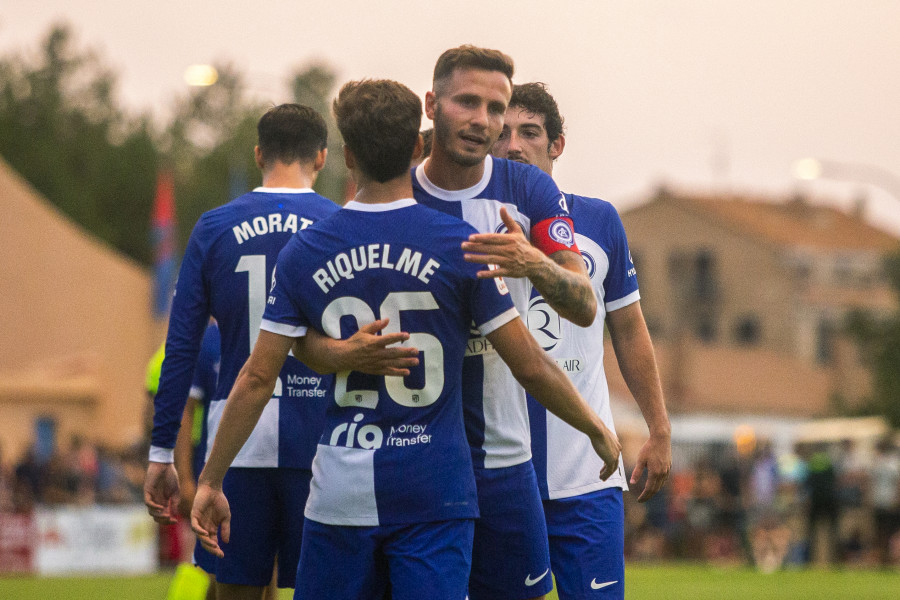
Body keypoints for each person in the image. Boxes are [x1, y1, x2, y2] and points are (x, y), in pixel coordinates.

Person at [190, 78, 620, 600]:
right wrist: (594, 425)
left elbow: (258, 376)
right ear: (418, 146)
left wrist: (211, 480)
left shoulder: (306, 250)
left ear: (346, 156)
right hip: (434, 488)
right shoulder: (461, 246)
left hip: (339, 490)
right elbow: (529, 365)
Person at [410, 46, 597, 600]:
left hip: (503, 459)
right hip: (412, 455)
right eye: (467, 101)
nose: (483, 121)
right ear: (431, 104)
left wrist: (529, 261)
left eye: (496, 107)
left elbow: (585, 305)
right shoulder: (398, 187)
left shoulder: (530, 190)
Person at [144, 104, 339, 600]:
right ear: (321, 157)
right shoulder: (339, 225)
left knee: (234, 591)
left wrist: (162, 450)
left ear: (258, 155)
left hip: (235, 445)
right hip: (322, 439)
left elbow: (181, 348)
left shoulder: (213, 228)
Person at [491, 82, 671, 599]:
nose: (515, 145)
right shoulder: (470, 219)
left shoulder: (597, 222)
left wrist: (659, 428)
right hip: (502, 471)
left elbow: (630, 330)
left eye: (530, 133)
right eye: (504, 133)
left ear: (557, 145)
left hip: (587, 474)